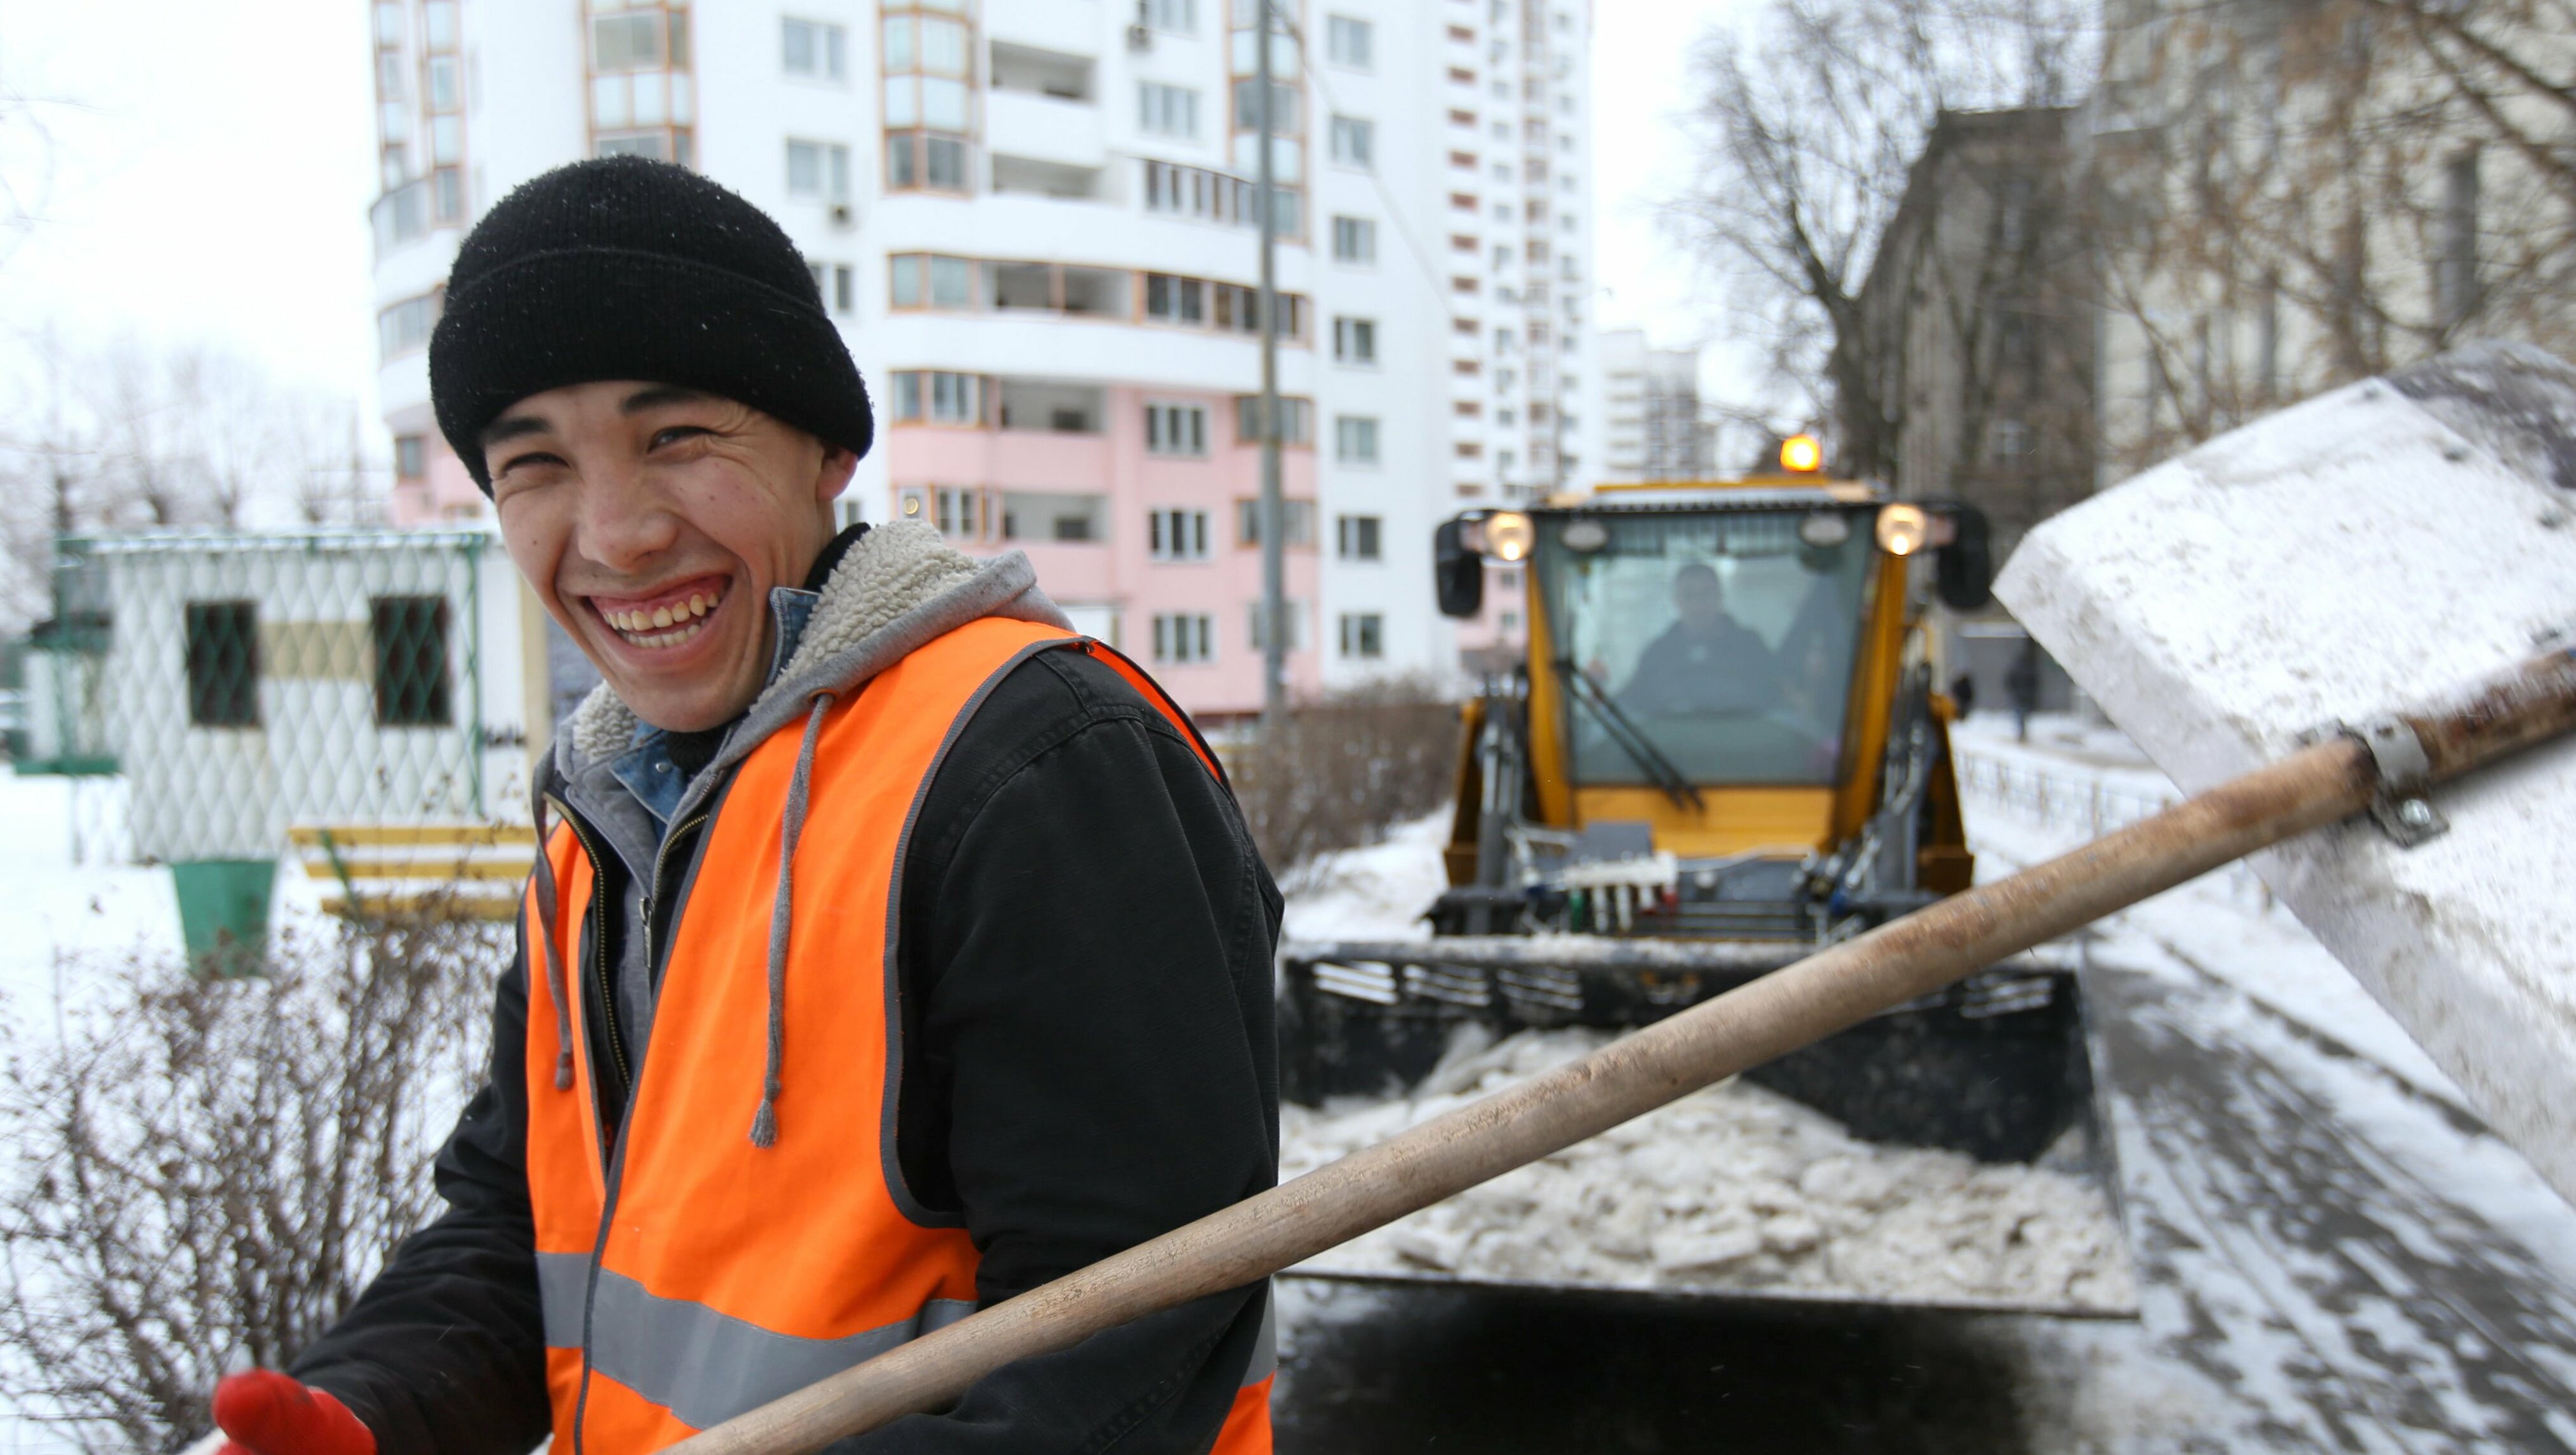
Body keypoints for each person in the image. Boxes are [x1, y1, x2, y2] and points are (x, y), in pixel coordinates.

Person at [206, 158, 1280, 1455]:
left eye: (676, 439)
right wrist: (372, 1408)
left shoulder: (1029, 761)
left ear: (828, 450)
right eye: (534, 462)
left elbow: (1119, 1361)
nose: (614, 532)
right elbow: (521, 1219)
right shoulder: (601, 827)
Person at [1616, 562, 1786, 716]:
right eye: (1688, 596)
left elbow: (1779, 700)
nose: (1698, 605)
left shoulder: (1750, 647)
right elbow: (1630, 704)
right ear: (1676, 601)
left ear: (1719, 597)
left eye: (1706, 594)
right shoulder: (1657, 654)